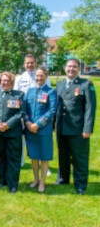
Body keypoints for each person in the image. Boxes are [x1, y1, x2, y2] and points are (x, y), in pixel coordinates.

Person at [55, 58, 96, 195]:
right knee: (63, 156)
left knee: (79, 158)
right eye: (69, 66)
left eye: (74, 67)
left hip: (78, 129)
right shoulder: (60, 85)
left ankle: (80, 185)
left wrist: (87, 128)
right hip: (62, 127)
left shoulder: (86, 84)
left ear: (79, 69)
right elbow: (57, 107)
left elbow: (90, 108)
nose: (71, 69)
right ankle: (63, 179)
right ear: (65, 68)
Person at [0, 72, 25, 193]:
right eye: (3, 81)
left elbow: (21, 113)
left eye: (8, 81)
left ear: (12, 82)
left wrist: (7, 125)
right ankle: (1, 181)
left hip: (13, 133)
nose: (5, 83)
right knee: (0, 158)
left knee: (13, 159)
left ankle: (13, 184)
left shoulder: (19, 95)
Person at [14, 54, 51, 168]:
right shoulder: (19, 78)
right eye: (27, 63)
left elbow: (48, 94)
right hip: (24, 114)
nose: (30, 65)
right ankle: (20, 162)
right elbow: (16, 96)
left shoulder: (43, 77)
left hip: (39, 114)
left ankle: (43, 165)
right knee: (21, 139)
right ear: (24, 64)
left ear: (36, 63)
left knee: (40, 141)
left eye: (32, 62)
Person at [24, 67, 57, 193]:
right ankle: (36, 180)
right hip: (30, 129)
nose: (39, 78)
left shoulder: (51, 92)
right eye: (37, 76)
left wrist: (37, 124)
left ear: (46, 76)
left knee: (44, 157)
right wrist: (27, 122)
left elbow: (52, 111)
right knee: (33, 156)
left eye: (41, 76)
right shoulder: (30, 91)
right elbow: (25, 108)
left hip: (43, 130)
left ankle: (42, 182)